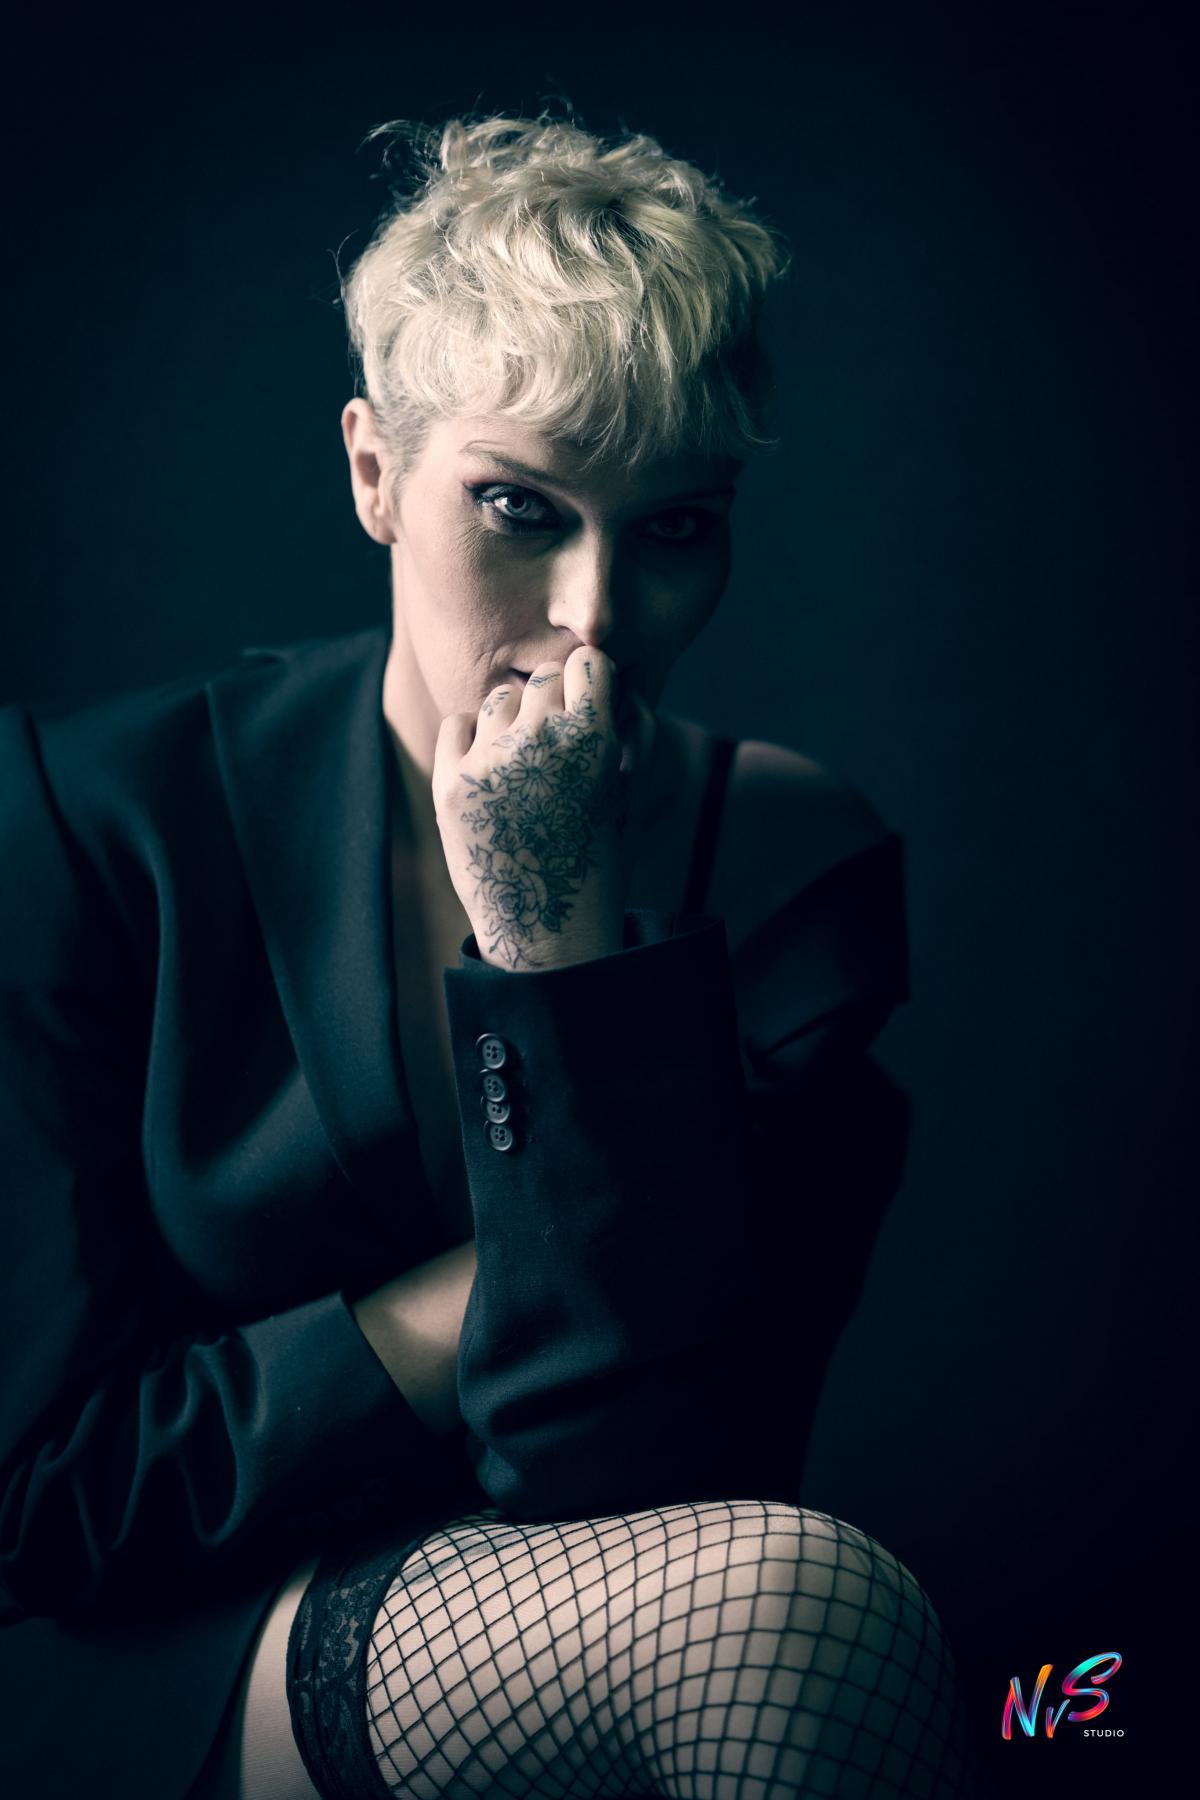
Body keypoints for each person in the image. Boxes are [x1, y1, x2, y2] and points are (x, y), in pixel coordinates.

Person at [0, 114, 978, 1798]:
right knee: (800, 1610)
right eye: (521, 507)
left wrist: (551, 941)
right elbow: (51, 1503)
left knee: (797, 1614)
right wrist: (530, 1265)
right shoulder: (83, 823)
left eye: (676, 528)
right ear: (375, 473)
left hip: (589, 1612)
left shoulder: (794, 876)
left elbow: (653, 1481)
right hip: (143, 1647)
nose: (596, 616)